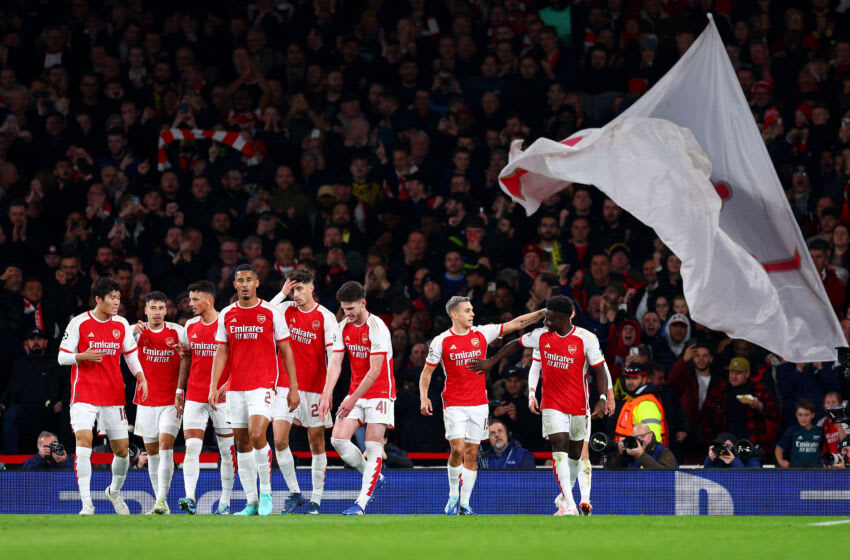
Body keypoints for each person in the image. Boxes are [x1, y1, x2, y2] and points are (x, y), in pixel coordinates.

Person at [418, 295, 545, 515]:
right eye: (467, 311)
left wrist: (541, 314)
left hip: (478, 404)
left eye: (472, 310)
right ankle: (453, 495)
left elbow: (515, 324)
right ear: (454, 314)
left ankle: (465, 503)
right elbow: (426, 373)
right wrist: (423, 396)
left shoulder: (481, 333)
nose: (472, 314)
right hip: (454, 403)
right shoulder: (441, 341)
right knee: (457, 449)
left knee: (472, 452)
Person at [209, 264, 300, 516]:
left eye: (250, 279)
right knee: (242, 442)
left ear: (257, 283)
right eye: (241, 280)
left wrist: (293, 387)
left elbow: (286, 351)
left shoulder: (271, 312)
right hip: (236, 387)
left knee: (258, 433)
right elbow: (221, 352)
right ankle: (251, 502)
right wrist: (214, 385)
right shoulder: (227, 314)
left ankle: (267, 492)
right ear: (235, 285)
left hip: (263, 384)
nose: (245, 284)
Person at [58, 277, 149, 515]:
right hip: (84, 393)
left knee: (122, 450)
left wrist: (141, 377)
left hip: (113, 394)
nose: (117, 302)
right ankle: (87, 502)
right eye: (112, 297)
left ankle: (114, 492)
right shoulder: (79, 323)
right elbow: (62, 357)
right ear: (98, 299)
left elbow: (130, 355)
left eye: (119, 297)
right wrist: (82, 356)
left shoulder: (121, 324)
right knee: (84, 442)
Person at [319, 281, 393, 515]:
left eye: (351, 309)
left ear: (363, 303)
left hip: (380, 392)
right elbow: (336, 362)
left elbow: (374, 372)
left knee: (373, 446)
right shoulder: (342, 327)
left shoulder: (377, 327)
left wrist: (351, 399)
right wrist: (327, 392)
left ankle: (361, 503)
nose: (347, 313)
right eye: (344, 309)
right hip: (356, 393)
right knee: (338, 440)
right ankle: (373, 475)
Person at [269, 269, 338, 515]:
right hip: (285, 385)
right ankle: (295, 492)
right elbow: (262, 313)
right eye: (293, 289)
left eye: (300, 289)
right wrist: (282, 293)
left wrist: (328, 393)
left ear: (311, 287)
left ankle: (316, 500)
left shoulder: (326, 317)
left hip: (314, 389)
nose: (296, 294)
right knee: (278, 439)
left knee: (316, 443)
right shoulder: (285, 310)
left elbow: (333, 359)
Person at [176, 281, 235, 515]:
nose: (190, 304)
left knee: (226, 451)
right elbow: (186, 360)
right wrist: (180, 391)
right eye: (190, 300)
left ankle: (225, 501)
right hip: (195, 395)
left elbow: (240, 360)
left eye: (195, 300)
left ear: (209, 300)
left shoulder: (227, 324)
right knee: (191, 447)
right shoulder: (189, 326)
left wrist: (229, 385)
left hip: (223, 397)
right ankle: (189, 498)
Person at [132, 291, 187, 515]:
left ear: (167, 310)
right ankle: (159, 502)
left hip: (171, 400)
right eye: (152, 308)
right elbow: (118, 339)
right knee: (152, 452)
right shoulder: (137, 333)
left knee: (166, 445)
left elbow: (190, 357)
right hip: (146, 401)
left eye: (161, 308)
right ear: (145, 310)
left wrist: (185, 357)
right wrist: (131, 331)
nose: (157, 312)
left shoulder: (178, 332)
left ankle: (162, 500)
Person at [0, 328, 63, 454]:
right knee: (10, 416)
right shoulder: (19, 364)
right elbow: (10, 388)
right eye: (32, 339)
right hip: (23, 409)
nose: (36, 342)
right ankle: (12, 461)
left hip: (47, 410)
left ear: (45, 342)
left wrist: (61, 401)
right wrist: (2, 403)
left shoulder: (55, 363)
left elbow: (65, 385)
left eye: (39, 339)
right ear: (26, 344)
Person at [775, 399, 825, 468]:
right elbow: (779, 448)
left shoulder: (820, 431)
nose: (803, 418)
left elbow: (827, 449)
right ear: (796, 415)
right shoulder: (792, 430)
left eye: (806, 415)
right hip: (796, 471)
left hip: (816, 470)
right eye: (800, 415)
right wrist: (781, 461)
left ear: (812, 415)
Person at [607, 422, 678, 469]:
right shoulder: (629, 453)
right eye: (636, 438)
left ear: (651, 435)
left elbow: (667, 475)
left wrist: (641, 456)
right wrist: (618, 454)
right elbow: (610, 474)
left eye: (643, 436)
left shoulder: (663, 452)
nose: (639, 440)